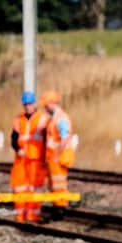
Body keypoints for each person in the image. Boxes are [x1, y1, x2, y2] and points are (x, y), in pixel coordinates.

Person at [10, 91, 48, 223]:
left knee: (35, 188)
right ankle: (20, 216)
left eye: (30, 104)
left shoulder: (42, 119)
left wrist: (46, 159)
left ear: (34, 104)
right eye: (25, 104)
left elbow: (46, 139)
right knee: (19, 187)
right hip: (21, 159)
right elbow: (14, 139)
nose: (27, 107)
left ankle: (33, 216)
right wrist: (18, 149)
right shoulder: (18, 119)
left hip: (36, 160)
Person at [41, 90, 75, 220]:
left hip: (58, 157)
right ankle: (58, 207)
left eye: (46, 105)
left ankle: (60, 209)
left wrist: (57, 154)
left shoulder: (60, 118)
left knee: (58, 183)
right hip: (53, 156)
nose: (45, 107)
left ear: (52, 103)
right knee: (55, 184)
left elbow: (64, 137)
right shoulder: (54, 118)